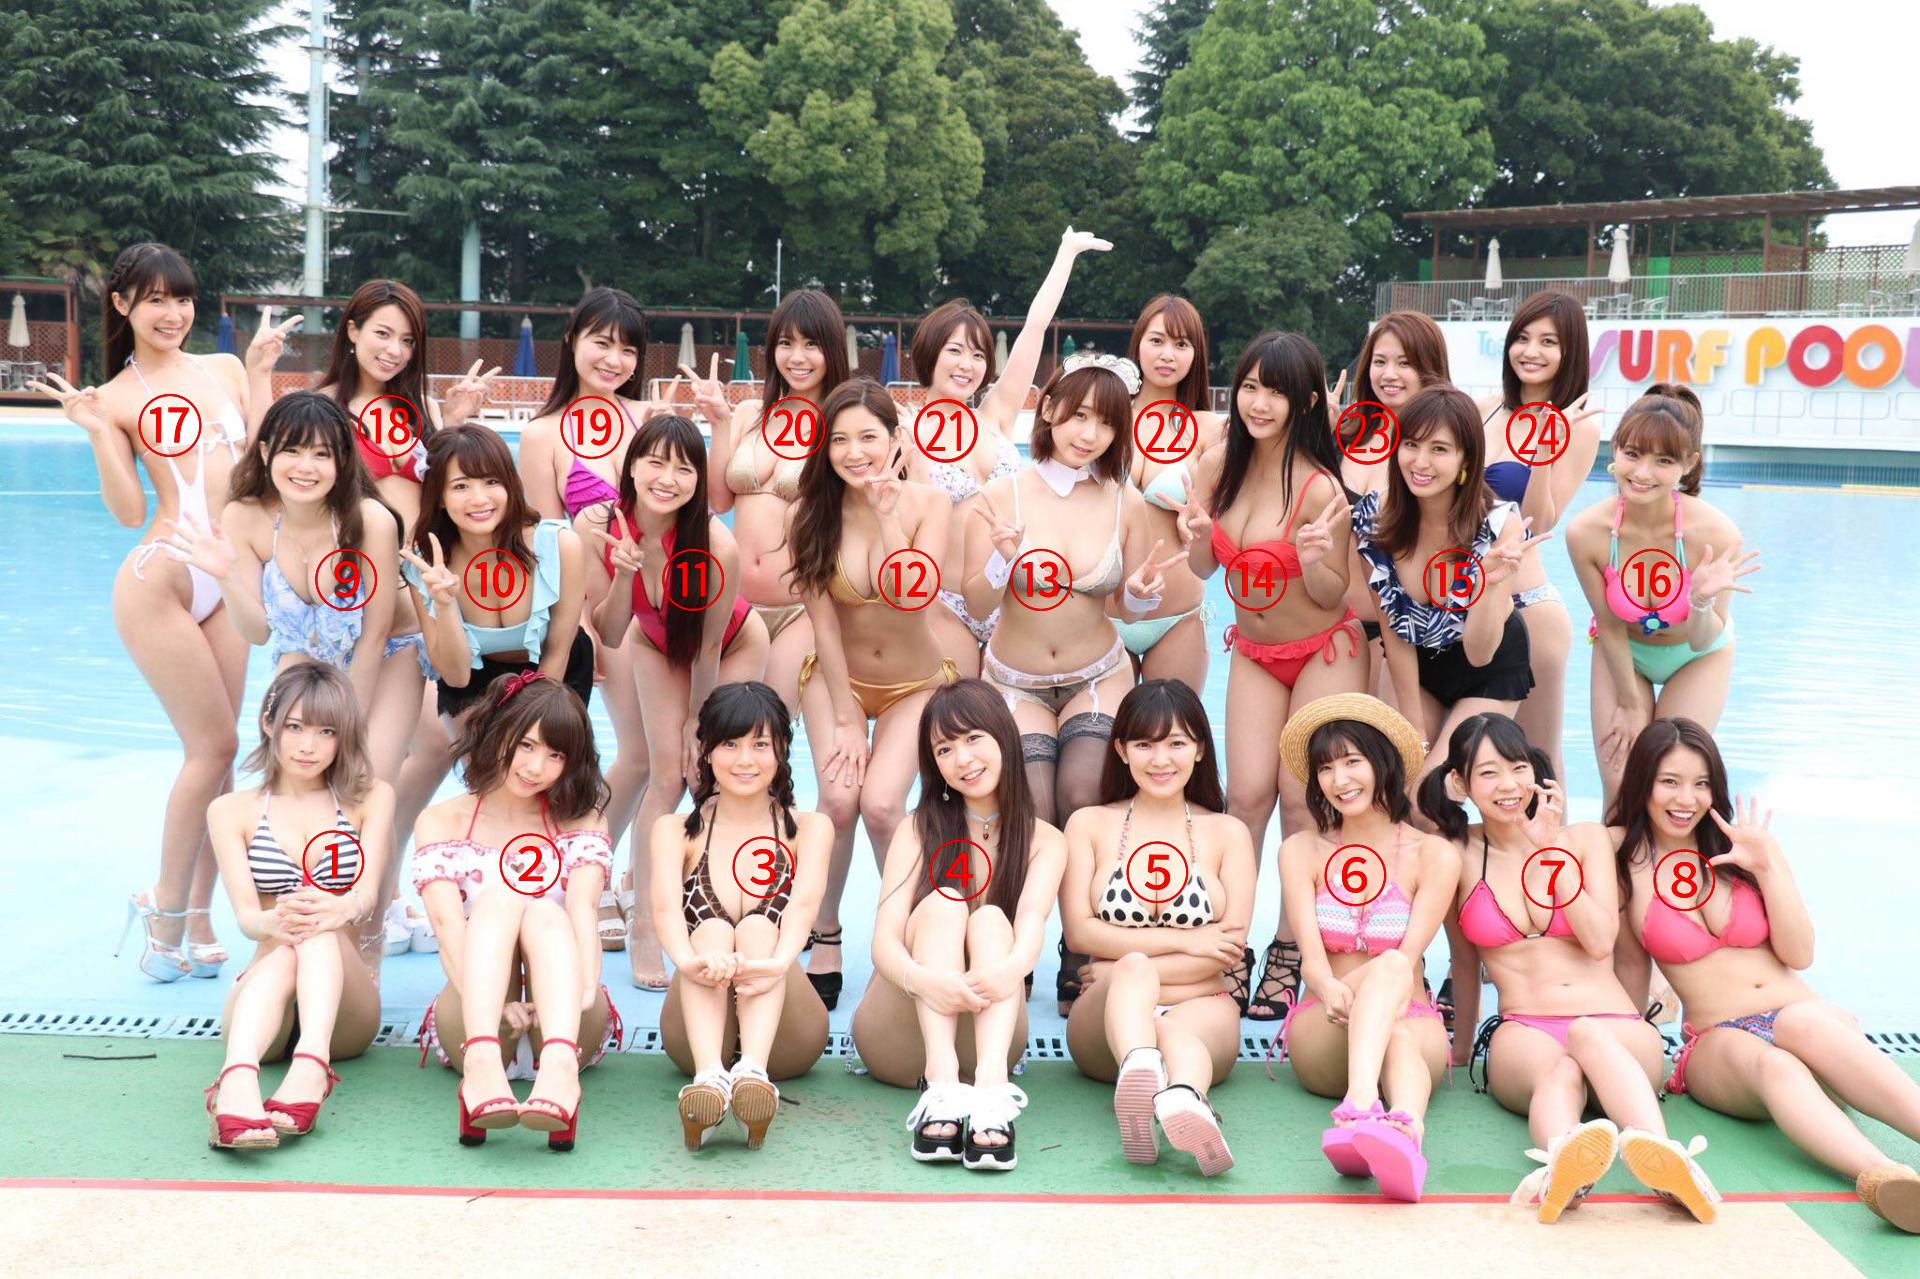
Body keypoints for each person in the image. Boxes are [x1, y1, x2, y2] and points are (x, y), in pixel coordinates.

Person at [39, 243, 293, 982]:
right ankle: (164, 904)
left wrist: (262, 373)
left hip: (229, 570)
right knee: (210, 748)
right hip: (163, 576)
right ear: (122, 305)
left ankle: (199, 913)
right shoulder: (116, 398)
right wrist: (97, 433)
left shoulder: (223, 369)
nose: (172, 312)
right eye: (154, 299)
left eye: (181, 298)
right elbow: (126, 512)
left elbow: (267, 464)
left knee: (223, 750)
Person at [1610, 719, 1920, 1233]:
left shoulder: (1749, 848)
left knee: (1802, 1024)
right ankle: (1885, 1178)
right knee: (1774, 1064)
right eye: (1669, 781)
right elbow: (1628, 972)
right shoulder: (1624, 863)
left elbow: (1800, 953)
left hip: (1810, 1032)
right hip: (1721, 1046)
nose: (1686, 798)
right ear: (1643, 782)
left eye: (1701, 783)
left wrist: (1767, 868)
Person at [1421, 713, 1720, 1224]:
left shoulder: (1583, 840)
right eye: (1489, 773)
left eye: (1518, 768)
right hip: (1525, 1031)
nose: (1508, 785)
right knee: (1561, 1071)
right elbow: (1464, 964)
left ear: (1536, 773)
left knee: (1586, 1034)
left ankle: (1668, 1163)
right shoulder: (1456, 853)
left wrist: (1547, 851)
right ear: (1460, 783)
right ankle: (1564, 1164)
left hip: (1616, 1028)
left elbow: (1600, 941)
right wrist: (1462, 1052)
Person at [1178, 330, 1366, 1022]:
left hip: (1324, 648)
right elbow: (1204, 568)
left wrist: (1315, 557)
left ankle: (1291, 948)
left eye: (1276, 391)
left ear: (1306, 401)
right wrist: (1198, 533)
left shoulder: (1320, 487)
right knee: (1246, 797)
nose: (1258, 403)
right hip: (1256, 650)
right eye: (1250, 386)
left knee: (1299, 798)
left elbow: (1331, 593)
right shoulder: (1218, 465)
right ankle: (1232, 945)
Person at [314, 277, 493, 955]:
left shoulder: (418, 415)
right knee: (348, 776)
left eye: (407, 339)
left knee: (422, 754)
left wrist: (454, 422)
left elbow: (445, 500)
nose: (393, 349)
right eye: (382, 333)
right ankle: (345, 921)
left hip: (414, 612)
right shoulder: (323, 412)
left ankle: (379, 894)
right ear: (352, 330)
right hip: (351, 615)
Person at [785, 379, 957, 1008]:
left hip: (916, 680)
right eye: (839, 440)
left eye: (868, 438)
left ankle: (903, 937)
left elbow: (914, 596)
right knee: (837, 802)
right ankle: (826, 933)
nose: (854, 453)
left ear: (895, 440)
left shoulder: (929, 504)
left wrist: (886, 513)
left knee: (883, 806)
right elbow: (823, 625)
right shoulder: (807, 514)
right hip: (839, 680)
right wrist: (845, 715)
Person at [580, 414, 766, 987]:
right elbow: (611, 633)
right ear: (631, 466)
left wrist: (696, 724)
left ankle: (727, 909)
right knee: (664, 779)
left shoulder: (715, 545)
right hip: (651, 643)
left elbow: (708, 647)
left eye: (685, 468)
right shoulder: (599, 526)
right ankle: (643, 923)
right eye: (655, 462)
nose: (668, 478)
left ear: (699, 480)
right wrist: (621, 574)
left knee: (711, 774)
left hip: (731, 646)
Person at [851, 680, 1069, 1170]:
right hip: (902, 1030)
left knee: (991, 919)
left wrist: (1006, 971)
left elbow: (1030, 931)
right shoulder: (917, 827)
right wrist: (925, 980)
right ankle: (941, 1083)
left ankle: (991, 1093)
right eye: (944, 749)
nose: (962, 759)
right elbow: (884, 941)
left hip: (990, 1034)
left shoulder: (1045, 840)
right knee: (947, 903)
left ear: (1003, 738)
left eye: (973, 738)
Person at [519, 286, 676, 964]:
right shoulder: (542, 435)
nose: (614, 359)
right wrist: (579, 624)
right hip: (596, 614)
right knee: (632, 753)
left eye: (627, 348)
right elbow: (538, 539)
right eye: (601, 342)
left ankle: (612, 872)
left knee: (657, 758)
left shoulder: (650, 420)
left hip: (663, 605)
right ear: (572, 341)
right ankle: (598, 876)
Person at [166, 391, 425, 786]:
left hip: (390, 652)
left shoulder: (371, 520)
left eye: (322, 454)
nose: (306, 467)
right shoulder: (244, 517)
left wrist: (345, 731)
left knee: (362, 781)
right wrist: (225, 576)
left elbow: (374, 636)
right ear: (266, 452)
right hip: (304, 651)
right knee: (293, 781)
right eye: (292, 450)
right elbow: (258, 632)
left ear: (342, 460)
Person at [412, 672, 615, 1151]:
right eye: (526, 745)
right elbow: (447, 927)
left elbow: (584, 910)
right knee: (501, 899)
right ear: (497, 730)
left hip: (566, 1022)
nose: (536, 767)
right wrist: (493, 1006)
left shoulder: (583, 820)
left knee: (544, 912)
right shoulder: (441, 821)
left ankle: (560, 1073)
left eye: (556, 755)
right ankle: (482, 1064)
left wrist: (583, 993)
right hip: (476, 1014)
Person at [1062, 681, 1256, 1178]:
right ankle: (1149, 1072)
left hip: (1201, 1008)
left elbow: (1227, 949)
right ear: (1121, 750)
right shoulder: (1088, 824)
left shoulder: (1228, 833)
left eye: (1176, 743)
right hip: (1103, 1020)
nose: (1161, 759)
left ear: (1200, 749)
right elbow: (1080, 934)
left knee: (1155, 1008)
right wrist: (1185, 943)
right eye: (1145, 744)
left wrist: (1118, 971)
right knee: (1134, 974)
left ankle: (1180, 1097)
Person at [901, 228, 1114, 674]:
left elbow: (1035, 328)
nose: (967, 365)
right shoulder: (904, 429)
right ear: (929, 353)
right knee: (959, 708)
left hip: (1013, 601)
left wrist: (1066, 254)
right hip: (944, 603)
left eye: (978, 355)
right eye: (955, 351)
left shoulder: (995, 416)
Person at [200, 664, 394, 1148]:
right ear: (269, 723)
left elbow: (367, 896)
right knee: (297, 932)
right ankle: (241, 1077)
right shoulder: (231, 810)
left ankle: (307, 1065)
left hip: (344, 1014)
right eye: (295, 727)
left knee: (319, 922)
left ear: (344, 737)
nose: (309, 746)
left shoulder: (370, 799)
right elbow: (247, 918)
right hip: (264, 990)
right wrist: (273, 921)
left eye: (327, 732)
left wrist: (339, 909)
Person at [1273, 694, 1456, 1203]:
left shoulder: (1433, 855)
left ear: (1382, 764)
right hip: (1324, 1021)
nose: (1339, 779)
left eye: (1352, 761)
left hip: (1409, 1018)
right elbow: (1312, 963)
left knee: (1395, 995)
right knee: (1391, 968)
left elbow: (1410, 958)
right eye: (1326, 768)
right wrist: (1330, 989)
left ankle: (1402, 1132)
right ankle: (1361, 1104)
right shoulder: (1301, 850)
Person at [649, 682, 832, 1151]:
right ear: (706, 750)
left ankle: (753, 1072)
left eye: (760, 744)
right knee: (710, 930)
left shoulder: (809, 829)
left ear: (783, 748)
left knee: (757, 927)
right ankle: (710, 1079)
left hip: (786, 1031)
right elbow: (666, 911)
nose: (745, 759)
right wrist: (689, 962)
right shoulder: (674, 831)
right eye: (730, 744)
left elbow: (804, 908)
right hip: (694, 1033)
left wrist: (776, 963)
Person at [1568, 387, 1759, 805]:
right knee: (1620, 788)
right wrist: (1628, 702)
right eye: (1633, 454)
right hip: (1623, 650)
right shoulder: (1586, 532)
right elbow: (1609, 624)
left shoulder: (1716, 534)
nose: (1643, 473)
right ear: (1615, 450)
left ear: (1688, 464)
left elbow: (1703, 639)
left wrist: (1701, 601)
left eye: (1664, 461)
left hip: (1697, 657)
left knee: (1667, 782)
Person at [1349, 384, 1540, 791]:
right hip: (1416, 663)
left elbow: (1480, 652)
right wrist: (1415, 734)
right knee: (1400, 787)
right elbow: (1393, 629)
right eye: (1411, 444)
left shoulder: (1498, 525)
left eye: (1439, 449)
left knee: (1432, 795)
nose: (1421, 462)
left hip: (1488, 667)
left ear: (1466, 459)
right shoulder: (1374, 517)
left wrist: (1487, 585)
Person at [687, 290, 851, 706]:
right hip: (734, 602)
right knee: (720, 721)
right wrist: (719, 424)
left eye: (811, 344)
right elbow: (719, 501)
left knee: (770, 722)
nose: (797, 357)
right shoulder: (749, 414)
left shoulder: (842, 424)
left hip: (801, 607)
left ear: (831, 349)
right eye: (786, 343)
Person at [1475, 293, 1602, 782]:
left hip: (1526, 607)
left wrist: (1545, 449)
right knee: (1467, 758)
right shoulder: (1485, 410)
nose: (1531, 351)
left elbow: (1540, 524)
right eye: (1523, 338)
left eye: (1549, 342)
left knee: (1537, 759)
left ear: (1570, 352)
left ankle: (1553, 837)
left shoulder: (1580, 427)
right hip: (1465, 603)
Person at [399, 425, 595, 723]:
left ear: (510, 485)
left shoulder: (560, 545)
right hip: (475, 680)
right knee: (483, 754)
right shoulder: (425, 566)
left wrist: (525, 725)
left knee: (538, 750)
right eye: (461, 486)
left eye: (491, 481)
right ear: (439, 497)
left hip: (555, 670)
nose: (479, 499)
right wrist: (444, 604)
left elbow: (557, 650)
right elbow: (456, 676)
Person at [1339, 312, 1451, 698]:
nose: (1389, 374)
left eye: (1405, 363)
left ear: (1429, 368)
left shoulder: (1442, 452)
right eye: (1380, 361)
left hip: (1404, 635)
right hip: (1338, 630)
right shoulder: (1346, 436)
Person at [1112, 293, 1218, 691]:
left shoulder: (1210, 429)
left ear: (1196, 354)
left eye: (1181, 344)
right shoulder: (1103, 417)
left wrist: (1204, 521)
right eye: (1157, 340)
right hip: (1103, 616)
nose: (1167, 354)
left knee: (1174, 728)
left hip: (1179, 617)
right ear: (1138, 343)